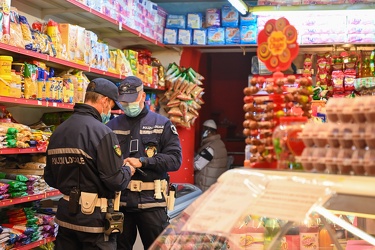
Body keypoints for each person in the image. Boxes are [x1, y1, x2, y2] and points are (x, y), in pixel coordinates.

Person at [44, 78, 135, 250]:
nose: (110, 111)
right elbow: (115, 180)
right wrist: (127, 170)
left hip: (66, 220)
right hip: (95, 223)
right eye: (111, 106)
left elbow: (50, 177)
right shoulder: (103, 133)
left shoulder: (59, 131)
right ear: (104, 101)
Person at [106, 76, 182, 250]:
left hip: (152, 202)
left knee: (158, 247)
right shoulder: (111, 126)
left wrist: (143, 162)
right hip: (121, 203)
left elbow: (175, 160)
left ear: (142, 96)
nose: (127, 106)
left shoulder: (162, 124)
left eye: (131, 101)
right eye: (123, 102)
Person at [194, 119, 228, 192]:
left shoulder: (211, 148)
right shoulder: (220, 144)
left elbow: (197, 165)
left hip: (206, 186)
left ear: (208, 132)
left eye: (204, 130)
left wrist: (187, 162)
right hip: (215, 184)